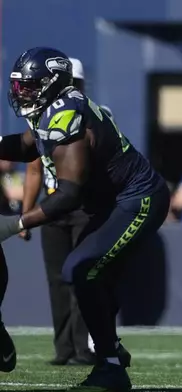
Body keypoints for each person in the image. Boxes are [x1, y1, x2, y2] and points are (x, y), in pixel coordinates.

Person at [0, 47, 170, 391]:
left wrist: (13, 224)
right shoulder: (53, 108)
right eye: (20, 86)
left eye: (30, 86)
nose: (22, 94)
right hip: (112, 202)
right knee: (89, 272)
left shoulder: (65, 113)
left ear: (53, 84)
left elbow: (68, 194)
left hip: (138, 199)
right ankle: (112, 352)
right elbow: (29, 145)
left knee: (82, 268)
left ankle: (109, 363)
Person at [21, 57, 97, 366]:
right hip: (54, 205)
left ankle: (83, 346)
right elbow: (34, 170)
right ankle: (63, 346)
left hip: (84, 204)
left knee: (82, 274)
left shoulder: (90, 115)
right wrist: (27, 214)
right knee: (57, 278)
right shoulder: (40, 117)